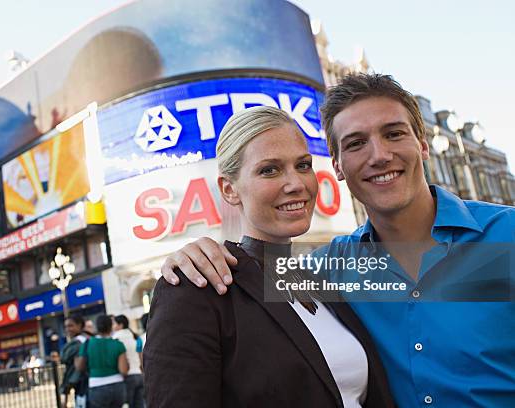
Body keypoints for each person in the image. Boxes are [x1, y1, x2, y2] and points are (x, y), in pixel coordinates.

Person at [160, 74, 515, 407]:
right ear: (338, 165)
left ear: (422, 144)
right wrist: (187, 254)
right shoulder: (328, 270)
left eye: (394, 134)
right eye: (357, 143)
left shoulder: (506, 236)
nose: (379, 155)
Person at [144, 106, 394, 407]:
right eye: (269, 170)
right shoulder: (196, 288)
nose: (296, 184)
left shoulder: (320, 281)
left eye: (303, 165)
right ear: (229, 189)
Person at [76, 315, 129, 408]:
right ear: (111, 326)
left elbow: (80, 367)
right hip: (117, 386)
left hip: (96, 386)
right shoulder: (118, 344)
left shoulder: (87, 344)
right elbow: (124, 370)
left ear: (97, 327)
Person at [112, 315, 145, 408]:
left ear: (120, 325)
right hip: (139, 375)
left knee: (128, 404)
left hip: (127, 376)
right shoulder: (135, 337)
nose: (113, 326)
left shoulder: (116, 338)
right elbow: (140, 355)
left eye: (114, 324)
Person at [61, 314, 89, 407]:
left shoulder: (76, 343)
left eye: (70, 325)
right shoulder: (88, 339)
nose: (68, 329)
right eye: (66, 326)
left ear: (80, 325)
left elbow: (64, 358)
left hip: (82, 385)